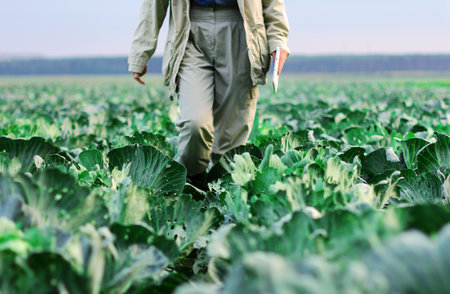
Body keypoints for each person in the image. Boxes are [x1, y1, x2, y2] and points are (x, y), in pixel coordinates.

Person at [129, 0, 289, 189]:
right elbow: (153, 5)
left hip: (242, 28)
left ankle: (223, 194)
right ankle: (193, 182)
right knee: (194, 123)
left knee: (232, 137)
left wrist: (278, 40)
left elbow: (272, 3)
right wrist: (140, 53)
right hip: (189, 29)